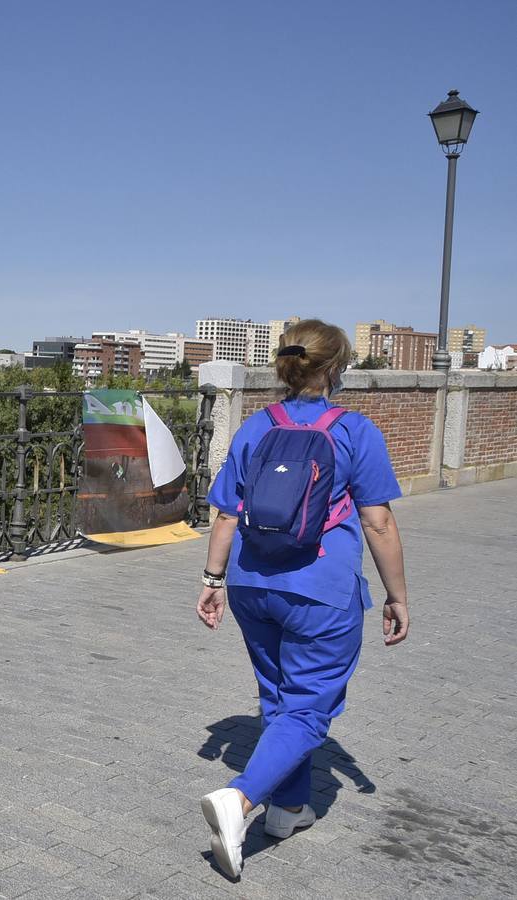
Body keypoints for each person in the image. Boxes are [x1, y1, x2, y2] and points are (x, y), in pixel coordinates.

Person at [194, 319, 410, 878]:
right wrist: (397, 595)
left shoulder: (255, 426)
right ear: (336, 367)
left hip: (249, 583)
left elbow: (226, 512)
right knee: (309, 709)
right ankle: (240, 801)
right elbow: (378, 521)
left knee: (278, 698)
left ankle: (288, 809)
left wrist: (213, 581)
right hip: (320, 588)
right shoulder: (353, 430)